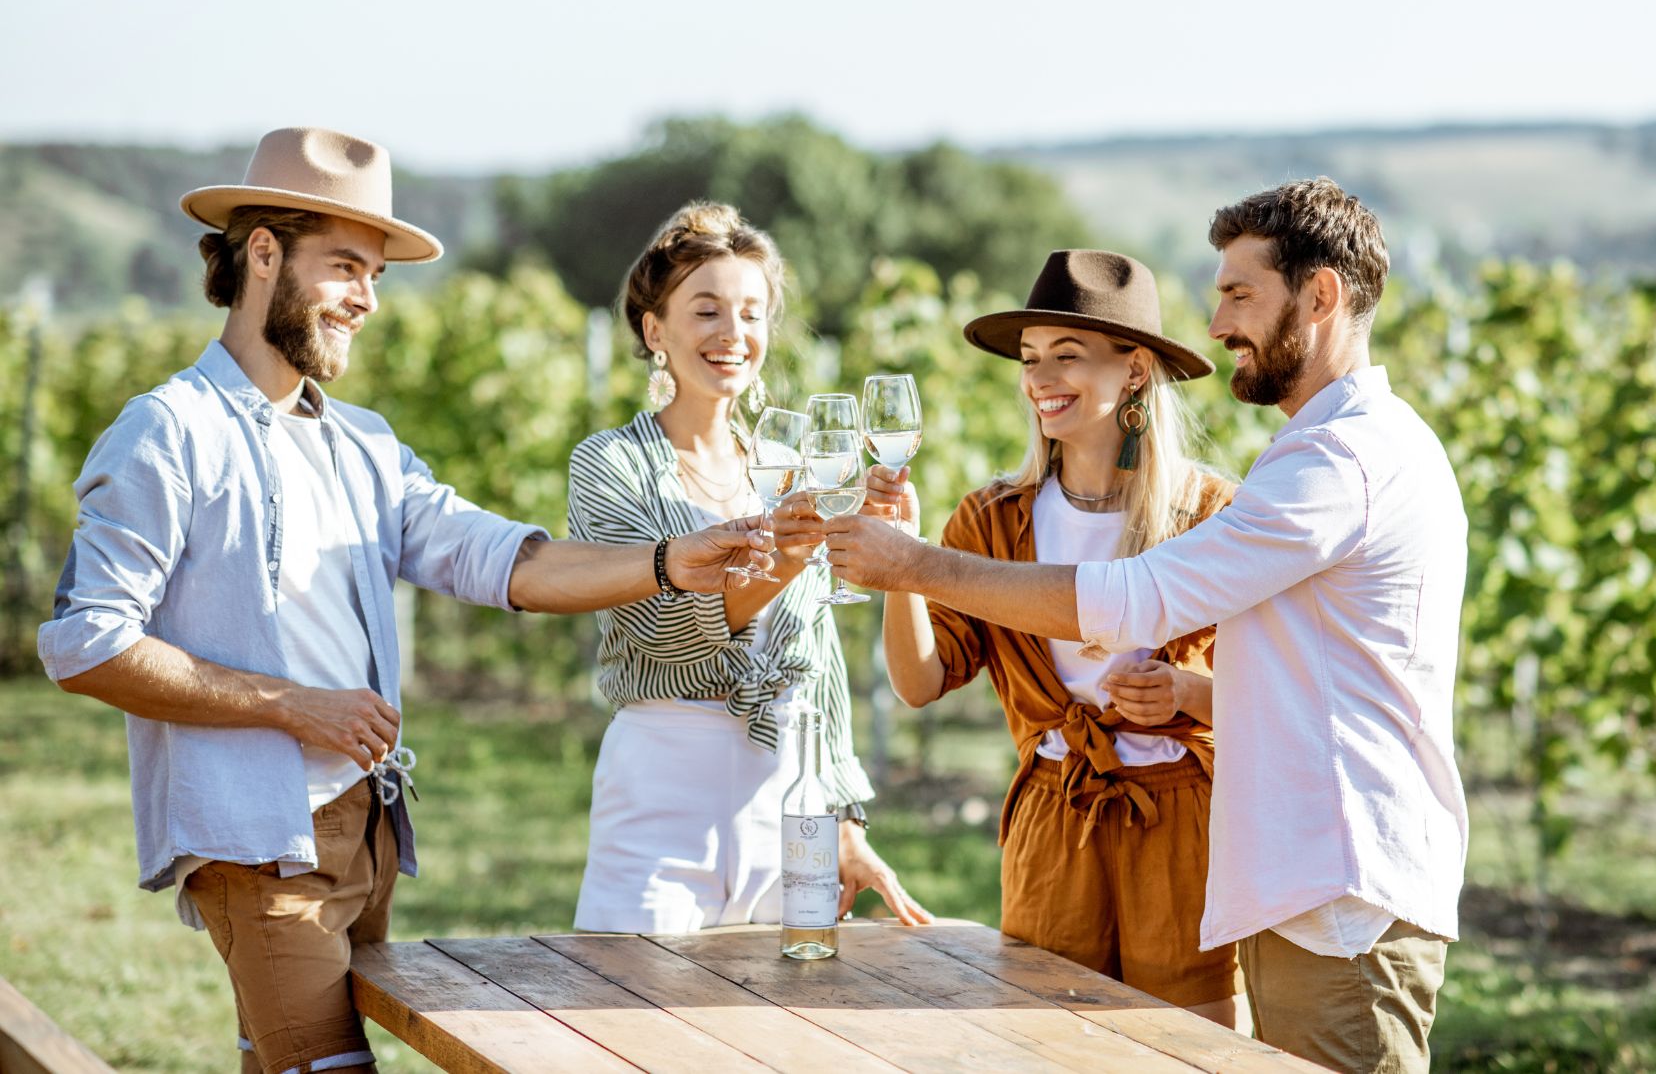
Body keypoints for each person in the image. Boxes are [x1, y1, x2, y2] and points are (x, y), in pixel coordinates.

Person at [37, 127, 769, 1074]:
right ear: (262, 253)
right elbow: (87, 643)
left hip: (365, 825)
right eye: (345, 267)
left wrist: (672, 560)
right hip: (260, 842)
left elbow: (500, 559)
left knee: (282, 1062)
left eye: (376, 275)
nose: (367, 301)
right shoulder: (167, 432)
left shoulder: (364, 444)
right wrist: (295, 705)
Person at [809, 179, 1469, 1074]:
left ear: (1320, 298)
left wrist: (913, 563)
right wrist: (913, 568)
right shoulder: (1324, 453)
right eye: (1029, 358)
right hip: (1284, 873)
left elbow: (1137, 599)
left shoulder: (1331, 463)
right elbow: (1293, 675)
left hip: (1329, 879)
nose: (1220, 316)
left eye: (1240, 292)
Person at [858, 249, 1240, 1022]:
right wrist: (902, 563)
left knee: (1189, 1045)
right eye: (1031, 360)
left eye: (1067, 356)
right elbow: (919, 683)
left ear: (1134, 370)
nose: (1039, 379)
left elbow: (1275, 694)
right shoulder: (993, 519)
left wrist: (1186, 693)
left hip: (1181, 825)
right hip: (1055, 819)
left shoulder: (1212, 515)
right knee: (1047, 1040)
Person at [567, 201, 929, 934]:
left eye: (753, 314)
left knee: (783, 1033)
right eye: (707, 311)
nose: (734, 335)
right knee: (631, 1027)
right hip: (663, 790)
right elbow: (660, 629)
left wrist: (844, 817)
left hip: (788, 801)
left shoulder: (795, 472)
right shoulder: (609, 465)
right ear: (654, 331)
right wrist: (788, 561)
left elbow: (818, 663)